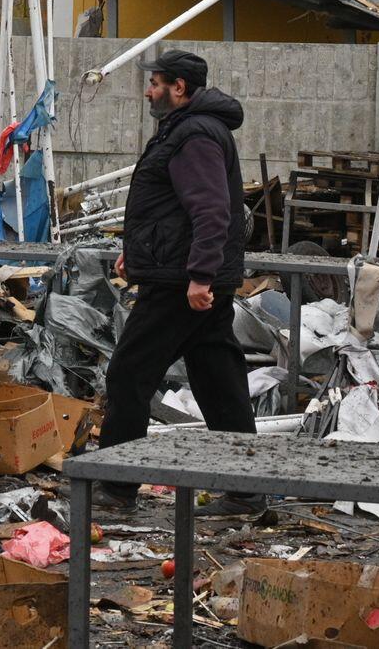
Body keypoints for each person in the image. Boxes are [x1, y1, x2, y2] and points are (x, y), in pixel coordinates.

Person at [94, 49, 262, 514]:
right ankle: (247, 491)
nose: (148, 92)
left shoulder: (195, 135)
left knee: (129, 373)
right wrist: (138, 253)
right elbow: (169, 208)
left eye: (155, 84)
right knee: (219, 383)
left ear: (179, 88)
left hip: (181, 284)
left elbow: (211, 210)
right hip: (183, 275)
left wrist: (200, 275)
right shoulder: (185, 129)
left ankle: (116, 487)